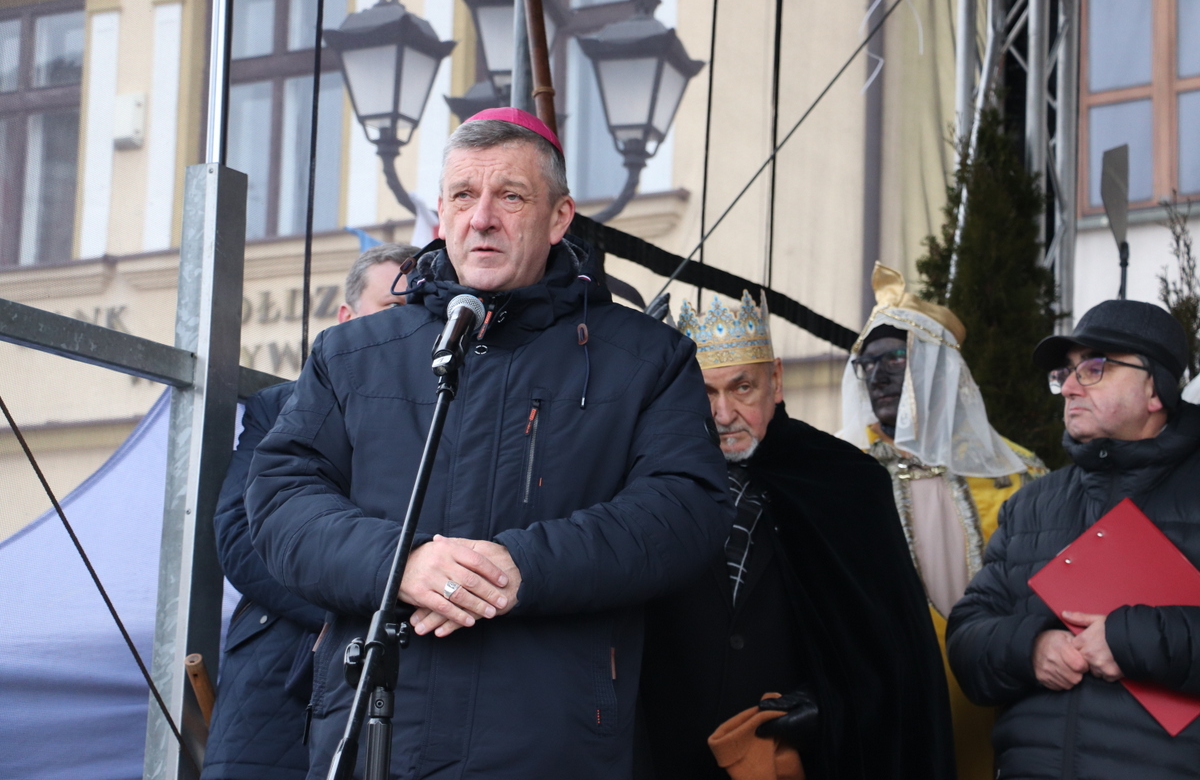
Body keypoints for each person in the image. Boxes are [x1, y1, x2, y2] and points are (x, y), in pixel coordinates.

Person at [245, 107, 732, 780]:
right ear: (440, 215)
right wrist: (401, 564)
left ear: (559, 218)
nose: (482, 219)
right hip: (377, 737)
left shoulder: (647, 359)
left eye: (511, 196)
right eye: (463, 196)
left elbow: (685, 509)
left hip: (554, 742)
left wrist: (523, 567)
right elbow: (281, 500)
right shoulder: (351, 354)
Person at [639, 291, 955, 780]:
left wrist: (828, 704)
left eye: (743, 388)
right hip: (663, 758)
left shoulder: (846, 482)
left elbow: (892, 655)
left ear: (777, 381)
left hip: (797, 761)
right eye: (706, 393)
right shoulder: (652, 478)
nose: (723, 414)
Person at [948, 299, 1200, 779]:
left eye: (1094, 368)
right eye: (1065, 372)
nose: (1067, 387)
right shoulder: (1030, 505)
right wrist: (1030, 648)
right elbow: (966, 640)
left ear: (1156, 389)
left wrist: (1134, 640)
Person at [202, 243, 418, 780]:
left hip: (394, 665)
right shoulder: (280, 404)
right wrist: (353, 607)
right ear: (345, 317)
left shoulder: (446, 410)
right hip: (279, 671)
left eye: (419, 310)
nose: (408, 323)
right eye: (392, 308)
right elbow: (242, 536)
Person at [838, 263, 1045, 780]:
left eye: (896, 358)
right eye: (867, 364)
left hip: (1005, 709)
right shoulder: (842, 477)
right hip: (889, 710)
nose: (879, 376)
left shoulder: (1017, 475)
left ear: (938, 369)